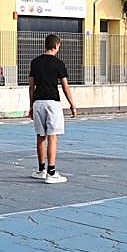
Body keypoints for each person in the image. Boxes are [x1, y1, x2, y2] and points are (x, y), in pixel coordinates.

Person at [28, 34, 78, 183]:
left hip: (38, 102)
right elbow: (65, 86)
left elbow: (31, 87)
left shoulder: (35, 62)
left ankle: (41, 170)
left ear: (45, 45)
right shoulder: (58, 63)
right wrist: (72, 104)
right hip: (52, 103)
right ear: (56, 46)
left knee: (40, 136)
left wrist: (31, 105)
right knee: (52, 137)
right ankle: (51, 172)